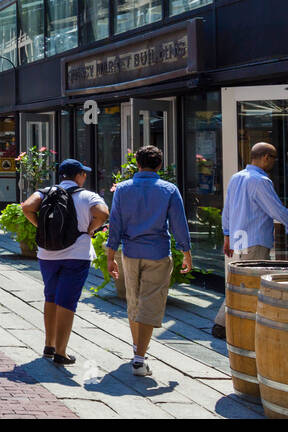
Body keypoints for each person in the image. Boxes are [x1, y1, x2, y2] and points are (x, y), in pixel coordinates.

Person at [106, 145, 192, 377]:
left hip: (130, 252)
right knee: (151, 302)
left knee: (134, 302)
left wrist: (110, 255)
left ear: (137, 162)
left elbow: (115, 224)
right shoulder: (169, 189)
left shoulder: (122, 190)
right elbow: (178, 224)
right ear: (160, 165)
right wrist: (186, 252)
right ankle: (139, 358)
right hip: (157, 252)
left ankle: (137, 352)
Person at [21, 158, 109, 365]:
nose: (85, 176)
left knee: (51, 296)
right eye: (83, 173)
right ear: (78, 176)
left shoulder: (44, 192)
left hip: (47, 254)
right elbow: (103, 213)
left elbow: (26, 207)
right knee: (67, 301)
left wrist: (40, 227)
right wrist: (91, 229)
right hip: (76, 255)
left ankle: (49, 345)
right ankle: (61, 352)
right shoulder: (88, 195)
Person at [213, 142, 288, 337]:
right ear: (266, 157)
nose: (274, 163)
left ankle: (225, 324)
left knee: (239, 282)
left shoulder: (237, 177)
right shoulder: (260, 181)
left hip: (239, 238)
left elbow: (228, 209)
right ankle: (222, 325)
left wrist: (227, 235)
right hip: (254, 239)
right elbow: (276, 209)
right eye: (274, 158)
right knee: (247, 285)